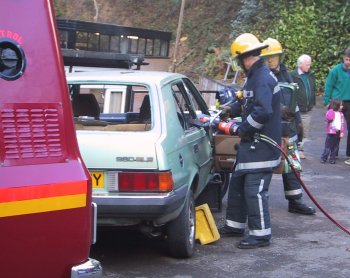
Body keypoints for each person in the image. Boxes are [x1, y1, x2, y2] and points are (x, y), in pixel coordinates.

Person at [218, 33, 281, 249]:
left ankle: (261, 234)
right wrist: (229, 109)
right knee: (238, 184)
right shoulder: (254, 77)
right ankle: (234, 226)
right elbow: (247, 101)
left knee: (254, 189)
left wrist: (242, 129)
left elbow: (262, 112)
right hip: (251, 147)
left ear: (244, 58)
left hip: (262, 146)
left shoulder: (262, 77)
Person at [260, 38, 315, 215]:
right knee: (265, 168)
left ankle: (295, 201)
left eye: (273, 57)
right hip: (270, 133)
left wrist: (298, 123)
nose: (270, 61)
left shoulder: (285, 74)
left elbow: (293, 101)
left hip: (289, 131)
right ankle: (258, 204)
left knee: (292, 168)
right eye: (267, 58)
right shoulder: (260, 77)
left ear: (279, 57)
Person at [323, 47, 350, 165]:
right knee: (334, 129)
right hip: (336, 102)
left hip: (349, 102)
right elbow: (329, 85)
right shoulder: (336, 70)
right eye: (347, 59)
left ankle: (349, 154)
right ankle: (332, 152)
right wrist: (327, 101)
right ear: (344, 58)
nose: (349, 62)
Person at [290, 54, 316, 159]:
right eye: (307, 65)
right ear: (300, 64)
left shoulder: (310, 74)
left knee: (305, 131)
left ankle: (300, 150)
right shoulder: (292, 75)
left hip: (307, 108)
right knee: (296, 130)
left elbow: (312, 88)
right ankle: (294, 150)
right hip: (296, 109)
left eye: (309, 65)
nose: (309, 67)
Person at [320, 99, 346, 164]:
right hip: (331, 133)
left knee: (335, 147)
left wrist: (342, 132)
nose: (342, 106)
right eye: (340, 105)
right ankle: (324, 158)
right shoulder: (330, 112)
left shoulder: (341, 114)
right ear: (336, 106)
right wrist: (331, 110)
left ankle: (332, 159)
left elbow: (343, 124)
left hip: (338, 133)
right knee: (328, 146)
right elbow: (329, 118)